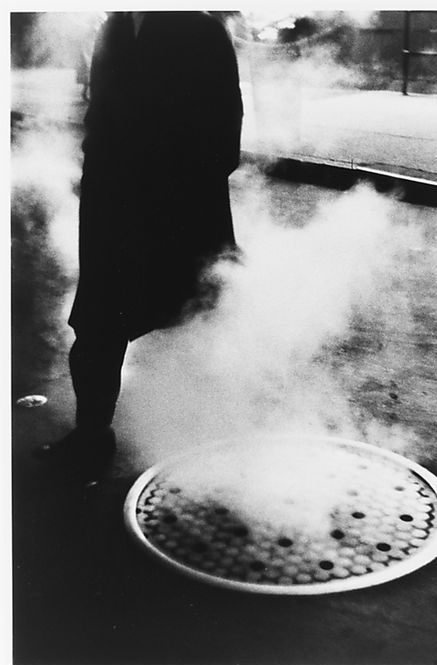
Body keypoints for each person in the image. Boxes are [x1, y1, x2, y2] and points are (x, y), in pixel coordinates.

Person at [37, 11, 243, 482]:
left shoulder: (200, 28)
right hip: (113, 204)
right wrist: (94, 167)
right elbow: (101, 108)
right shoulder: (113, 25)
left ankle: (213, 425)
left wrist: (181, 190)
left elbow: (224, 131)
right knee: (98, 322)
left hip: (176, 205)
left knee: (191, 314)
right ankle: (92, 433)